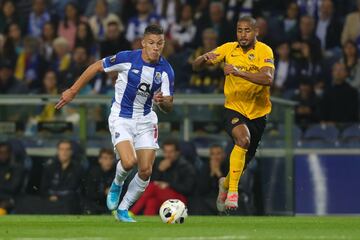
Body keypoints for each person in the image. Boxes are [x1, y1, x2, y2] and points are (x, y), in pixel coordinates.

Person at [55, 24, 174, 222]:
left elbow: (169, 105)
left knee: (146, 170)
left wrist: (163, 102)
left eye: (159, 43)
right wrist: (73, 91)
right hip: (122, 117)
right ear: (143, 43)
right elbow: (96, 66)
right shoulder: (127, 58)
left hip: (146, 119)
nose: (156, 47)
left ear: (164, 44)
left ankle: (123, 209)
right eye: (151, 43)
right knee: (129, 162)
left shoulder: (166, 70)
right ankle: (117, 184)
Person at [192, 16, 274, 212]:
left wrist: (239, 72)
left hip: (258, 114)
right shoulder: (228, 48)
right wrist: (203, 58)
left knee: (243, 162)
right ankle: (233, 194)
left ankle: (226, 184)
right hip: (233, 107)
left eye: (247, 30)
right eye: (239, 30)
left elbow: (268, 78)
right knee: (243, 140)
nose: (243, 34)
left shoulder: (265, 50)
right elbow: (195, 65)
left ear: (256, 32)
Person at [130, 138, 195, 215]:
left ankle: (131, 212)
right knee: (151, 201)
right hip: (163, 196)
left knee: (152, 187)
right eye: (166, 152)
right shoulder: (159, 163)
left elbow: (188, 189)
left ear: (177, 152)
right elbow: (153, 181)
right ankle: (148, 224)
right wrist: (160, 171)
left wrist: (169, 185)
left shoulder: (186, 166)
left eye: (171, 152)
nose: (168, 155)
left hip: (180, 198)